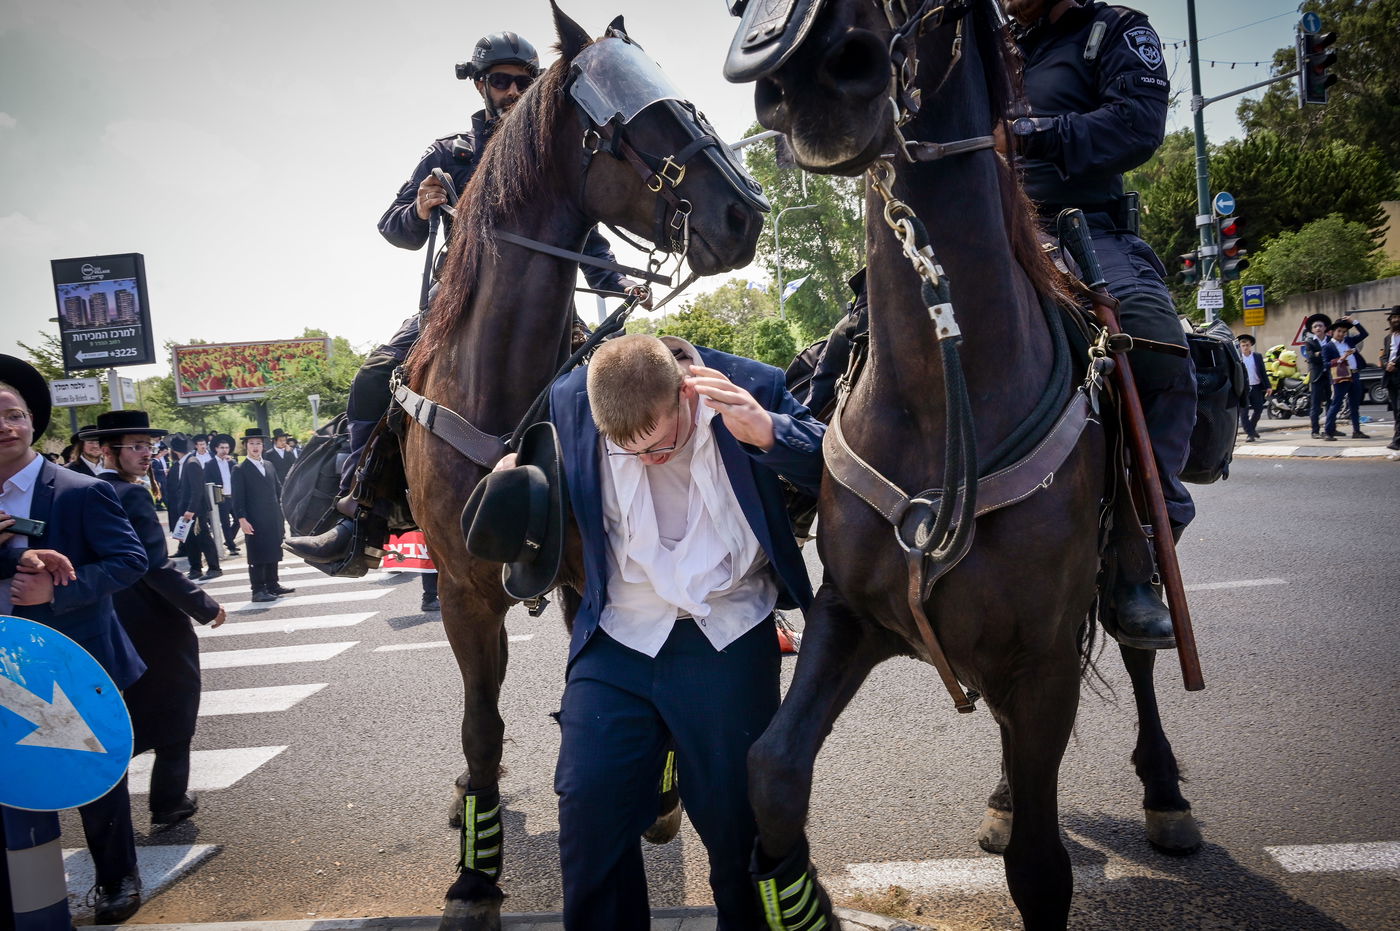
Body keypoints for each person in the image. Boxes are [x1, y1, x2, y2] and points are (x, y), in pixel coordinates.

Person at [479, 334, 824, 928]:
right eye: (626, 451)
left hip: (727, 633)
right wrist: (513, 473)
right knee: (589, 805)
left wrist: (770, 432)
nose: (646, 460)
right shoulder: (568, 398)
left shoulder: (756, 386)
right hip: (618, 637)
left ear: (687, 394)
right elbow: (528, 458)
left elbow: (842, 466)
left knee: (734, 823)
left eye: (660, 446)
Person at [288, 30, 648, 566]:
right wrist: (421, 209)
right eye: (500, 81)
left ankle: (641, 503)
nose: (511, 91)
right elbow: (394, 228)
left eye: (523, 81)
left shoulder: (553, 156)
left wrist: (616, 285)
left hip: (549, 313)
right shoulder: (448, 154)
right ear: (481, 85)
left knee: (623, 378)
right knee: (371, 377)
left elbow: (588, 238)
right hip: (454, 305)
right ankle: (356, 516)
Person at [1001, 0, 1193, 650]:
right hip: (978, 230)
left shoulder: (1115, 33)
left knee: (1155, 346)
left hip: (1080, 226)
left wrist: (1030, 135)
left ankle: (1135, 559)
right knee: (861, 333)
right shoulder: (976, 39)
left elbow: (1138, 125)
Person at [0, 355, 149, 923]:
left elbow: (129, 560)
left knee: (93, 775)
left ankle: (117, 879)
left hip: (74, 655)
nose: (6, 427)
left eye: (15, 415)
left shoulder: (79, 491)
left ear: (32, 422)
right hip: (5, 660)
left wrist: (57, 595)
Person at [92, 410, 227, 830]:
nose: (146, 453)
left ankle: (114, 808)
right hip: (150, 619)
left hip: (105, 616)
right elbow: (154, 565)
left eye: (149, 446)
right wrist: (205, 606)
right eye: (135, 446)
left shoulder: (85, 489)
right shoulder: (130, 495)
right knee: (176, 706)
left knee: (121, 714)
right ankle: (168, 802)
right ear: (108, 450)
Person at [232, 428, 294, 602]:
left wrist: (284, 509)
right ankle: (258, 590)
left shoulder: (268, 465)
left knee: (273, 550)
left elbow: (278, 489)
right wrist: (242, 519)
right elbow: (238, 498)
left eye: (258, 443)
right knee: (257, 553)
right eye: (251, 443)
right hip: (254, 518)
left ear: (263, 445)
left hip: (272, 516)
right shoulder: (240, 469)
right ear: (246, 446)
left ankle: (272, 584)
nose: (255, 447)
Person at [178, 435, 222, 581]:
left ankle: (214, 567)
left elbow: (197, 490)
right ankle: (195, 568)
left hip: (196, 510)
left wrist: (191, 509)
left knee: (203, 538)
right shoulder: (184, 463)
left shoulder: (191, 463)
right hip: (187, 509)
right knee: (190, 540)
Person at [1322, 315, 1370, 440]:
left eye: (1344, 332)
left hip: (1354, 374)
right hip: (1341, 377)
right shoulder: (1328, 347)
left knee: (1355, 404)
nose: (1341, 334)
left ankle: (1357, 431)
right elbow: (1326, 364)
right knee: (1336, 404)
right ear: (1332, 332)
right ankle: (1328, 432)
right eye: (1339, 331)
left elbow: (1364, 334)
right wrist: (1340, 359)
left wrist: (1353, 322)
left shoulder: (1349, 341)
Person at [1299, 313, 1335, 439]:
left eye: (1320, 326)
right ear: (1312, 329)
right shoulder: (1309, 342)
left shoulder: (1331, 341)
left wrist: (1319, 354)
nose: (1318, 328)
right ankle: (1315, 431)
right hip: (1316, 377)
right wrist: (1321, 354)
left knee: (1332, 403)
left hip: (1330, 376)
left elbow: (1334, 356)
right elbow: (1311, 357)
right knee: (1315, 405)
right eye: (1315, 326)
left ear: (1325, 328)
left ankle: (1331, 428)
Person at [208, 433, 241, 556]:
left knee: (238, 520)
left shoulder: (232, 463)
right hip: (221, 497)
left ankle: (229, 540)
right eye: (222, 448)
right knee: (225, 522)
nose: (224, 450)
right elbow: (208, 482)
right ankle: (231, 546)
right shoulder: (210, 464)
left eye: (226, 448)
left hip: (233, 496)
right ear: (216, 448)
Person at [1236, 334, 1269, 442]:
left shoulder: (1257, 356)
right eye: (1243, 345)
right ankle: (1250, 434)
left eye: (1247, 345)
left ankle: (1252, 428)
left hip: (1256, 386)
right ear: (1240, 346)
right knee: (1244, 412)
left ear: (1251, 346)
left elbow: (1263, 372)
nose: (1245, 347)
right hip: (1243, 388)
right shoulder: (1238, 357)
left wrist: (1268, 386)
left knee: (1258, 409)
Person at [1381, 307, 1400, 451]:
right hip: (1390, 377)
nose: (1396, 320)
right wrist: (1386, 363)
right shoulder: (1388, 338)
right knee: (1395, 409)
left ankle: (1397, 440)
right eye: (1393, 317)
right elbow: (1384, 355)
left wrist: (1395, 363)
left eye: (1398, 317)